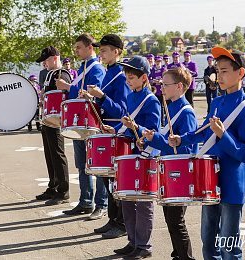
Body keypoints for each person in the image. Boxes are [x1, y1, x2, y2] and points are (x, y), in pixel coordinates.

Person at [168, 47, 245, 259]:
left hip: (233, 184)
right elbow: (204, 133)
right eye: (217, 71)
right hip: (210, 182)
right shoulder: (217, 102)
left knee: (229, 246)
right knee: (208, 242)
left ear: (240, 74)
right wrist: (183, 139)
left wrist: (223, 135)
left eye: (224, 71)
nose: (219, 76)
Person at [102, 56, 161, 259]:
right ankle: (133, 242)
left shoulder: (151, 100)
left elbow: (154, 130)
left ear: (144, 77)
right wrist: (115, 129)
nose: (128, 81)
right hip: (130, 155)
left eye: (132, 77)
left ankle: (144, 246)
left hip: (145, 156)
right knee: (127, 200)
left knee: (143, 203)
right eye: (127, 77)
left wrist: (136, 128)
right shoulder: (131, 96)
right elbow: (127, 120)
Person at [141, 67, 198, 260]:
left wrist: (156, 139)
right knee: (170, 218)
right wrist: (149, 140)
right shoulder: (172, 107)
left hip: (181, 173)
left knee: (176, 220)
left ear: (179, 86)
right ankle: (178, 254)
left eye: (165, 85)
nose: (161, 89)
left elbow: (187, 150)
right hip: (170, 170)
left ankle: (186, 257)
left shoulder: (186, 113)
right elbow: (167, 143)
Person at [80, 33, 130, 237]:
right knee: (108, 179)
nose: (100, 53)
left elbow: (122, 110)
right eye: (99, 50)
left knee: (117, 180)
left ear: (116, 51)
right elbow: (104, 105)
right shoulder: (109, 72)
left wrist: (101, 97)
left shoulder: (122, 75)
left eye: (104, 50)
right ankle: (112, 219)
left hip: (117, 131)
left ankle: (122, 224)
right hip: (105, 130)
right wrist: (91, 98)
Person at [55, 33, 107, 220]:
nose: (76, 51)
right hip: (79, 121)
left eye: (79, 47)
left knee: (98, 165)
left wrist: (68, 87)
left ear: (90, 47)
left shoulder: (97, 69)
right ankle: (86, 201)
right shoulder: (83, 67)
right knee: (82, 164)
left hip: (91, 122)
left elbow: (93, 94)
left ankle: (102, 204)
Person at [34, 46, 72, 206]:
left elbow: (67, 94)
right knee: (49, 155)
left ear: (55, 57)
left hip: (57, 119)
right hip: (48, 119)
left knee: (57, 154)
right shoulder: (50, 74)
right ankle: (53, 186)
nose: (44, 63)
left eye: (46, 59)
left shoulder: (62, 74)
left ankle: (63, 192)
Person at [149, 55, 167, 125]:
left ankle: (162, 120)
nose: (157, 63)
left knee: (162, 106)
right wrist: (153, 81)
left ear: (161, 62)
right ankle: (156, 120)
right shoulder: (152, 70)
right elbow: (148, 79)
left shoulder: (164, 70)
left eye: (159, 61)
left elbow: (166, 79)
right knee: (155, 106)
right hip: (154, 91)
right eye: (156, 61)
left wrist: (161, 81)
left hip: (162, 90)